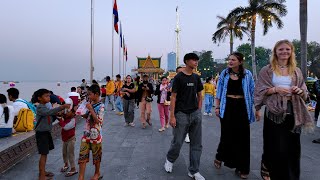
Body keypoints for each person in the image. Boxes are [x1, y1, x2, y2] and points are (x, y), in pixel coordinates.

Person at [254, 40, 314, 180]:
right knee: (276, 148)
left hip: (294, 112)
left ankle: (292, 177)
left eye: (287, 49)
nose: (284, 52)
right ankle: (272, 170)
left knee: (293, 149)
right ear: (275, 52)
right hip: (274, 114)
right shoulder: (267, 70)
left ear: (291, 52)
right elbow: (259, 90)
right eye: (281, 49)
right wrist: (275, 89)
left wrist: (299, 91)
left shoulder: (296, 70)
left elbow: (305, 93)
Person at [214, 52, 255, 179]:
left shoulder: (247, 74)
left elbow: (252, 91)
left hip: (242, 107)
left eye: (233, 59)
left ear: (240, 61)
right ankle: (220, 156)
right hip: (227, 106)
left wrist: (257, 108)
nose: (230, 61)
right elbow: (219, 91)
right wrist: (217, 106)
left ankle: (242, 168)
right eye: (229, 59)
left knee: (243, 138)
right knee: (227, 135)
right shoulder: (224, 73)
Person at [164, 53, 205, 180]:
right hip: (181, 114)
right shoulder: (178, 78)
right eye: (193, 60)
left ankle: (194, 170)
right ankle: (170, 160)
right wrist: (172, 116)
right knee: (177, 142)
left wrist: (198, 110)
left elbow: (200, 94)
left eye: (197, 60)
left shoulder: (196, 77)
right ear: (187, 61)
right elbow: (173, 97)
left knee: (196, 144)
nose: (196, 62)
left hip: (195, 114)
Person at [34, 89, 70, 180]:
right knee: (43, 154)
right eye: (46, 96)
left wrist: (58, 113)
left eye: (49, 95)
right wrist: (62, 107)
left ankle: (43, 171)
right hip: (41, 134)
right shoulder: (40, 107)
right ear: (39, 98)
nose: (48, 97)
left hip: (46, 133)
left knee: (45, 154)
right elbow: (49, 113)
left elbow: (50, 117)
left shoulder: (45, 106)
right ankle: (42, 176)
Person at [78, 84, 105, 180]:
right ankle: (81, 176)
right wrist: (82, 112)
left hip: (96, 135)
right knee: (82, 155)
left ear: (96, 94)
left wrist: (90, 109)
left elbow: (99, 121)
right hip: (86, 133)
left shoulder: (101, 106)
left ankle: (97, 173)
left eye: (90, 94)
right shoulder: (90, 103)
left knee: (96, 155)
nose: (88, 97)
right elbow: (87, 116)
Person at [58, 98, 77, 177]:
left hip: (71, 139)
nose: (66, 113)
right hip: (64, 138)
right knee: (64, 153)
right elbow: (61, 113)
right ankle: (66, 165)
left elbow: (65, 127)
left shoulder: (73, 120)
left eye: (68, 111)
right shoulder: (66, 116)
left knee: (70, 154)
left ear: (73, 113)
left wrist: (60, 120)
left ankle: (73, 169)